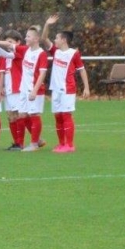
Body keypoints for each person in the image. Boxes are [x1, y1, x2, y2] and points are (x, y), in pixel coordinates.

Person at [40, 14, 90, 153]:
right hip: (56, 89)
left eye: (56, 38)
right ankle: (61, 144)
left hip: (68, 88)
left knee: (66, 115)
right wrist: (47, 24)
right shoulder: (55, 51)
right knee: (58, 116)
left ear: (63, 40)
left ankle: (70, 145)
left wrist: (86, 87)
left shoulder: (73, 53)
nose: (54, 40)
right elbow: (44, 39)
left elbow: (82, 70)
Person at [17, 26, 49, 151]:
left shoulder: (41, 54)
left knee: (34, 114)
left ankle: (34, 144)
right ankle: (38, 140)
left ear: (36, 39)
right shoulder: (26, 50)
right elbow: (10, 46)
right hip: (24, 89)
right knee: (22, 115)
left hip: (34, 89)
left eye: (28, 36)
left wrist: (34, 90)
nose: (25, 38)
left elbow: (42, 73)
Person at [0, 30, 28, 150]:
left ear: (18, 42)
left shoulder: (18, 53)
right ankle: (16, 142)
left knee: (18, 115)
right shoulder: (5, 57)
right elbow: (4, 74)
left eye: (10, 42)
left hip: (17, 89)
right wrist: (2, 87)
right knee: (10, 116)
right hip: (8, 91)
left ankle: (20, 143)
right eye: (6, 41)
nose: (7, 44)